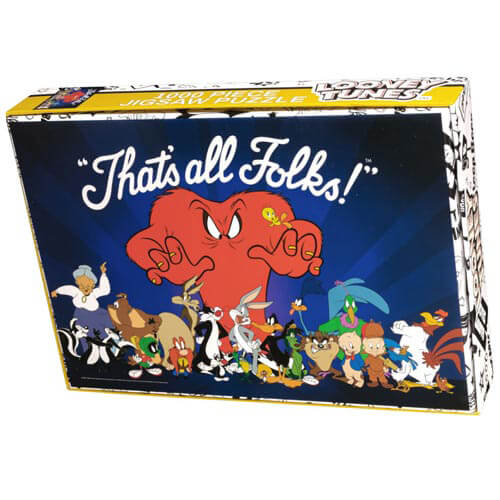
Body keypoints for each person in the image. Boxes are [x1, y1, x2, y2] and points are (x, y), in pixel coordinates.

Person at [51, 262, 113, 353]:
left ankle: (109, 350)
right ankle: (89, 353)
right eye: (81, 285)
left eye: (88, 285)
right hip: (81, 318)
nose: (85, 288)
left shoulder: (94, 293)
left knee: (102, 336)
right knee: (86, 339)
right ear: (78, 284)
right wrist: (56, 291)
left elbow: (105, 290)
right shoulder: (76, 292)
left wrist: (103, 274)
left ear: (92, 284)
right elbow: (67, 289)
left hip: (96, 317)